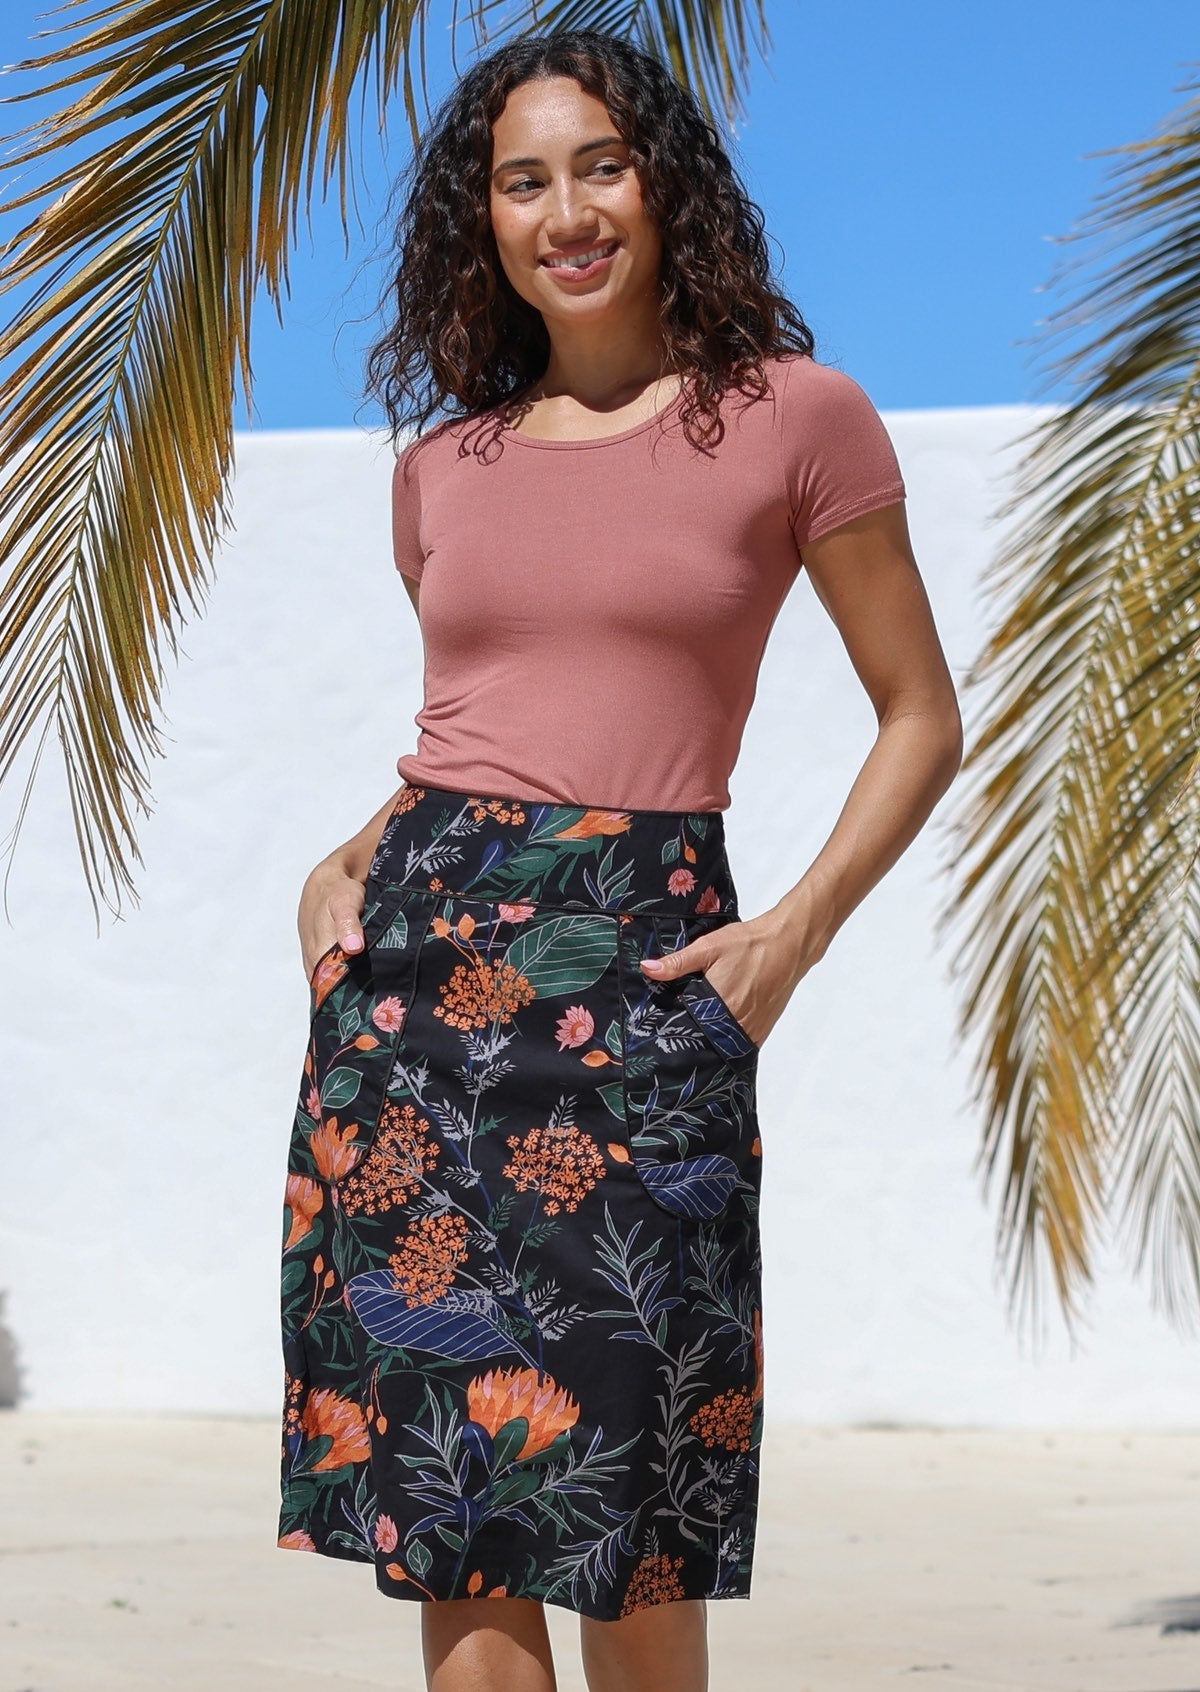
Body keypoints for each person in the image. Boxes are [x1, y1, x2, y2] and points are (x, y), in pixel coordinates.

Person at [277, 27, 962, 1692]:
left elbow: (923, 717)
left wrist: (789, 936)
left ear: (664, 185)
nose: (566, 211)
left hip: (642, 981)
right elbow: (480, 731)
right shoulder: (446, 467)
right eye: (524, 181)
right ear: (483, 221)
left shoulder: (799, 420)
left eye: (600, 165)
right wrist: (341, 862)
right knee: (457, 1519)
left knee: (633, 1520)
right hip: (414, 1006)